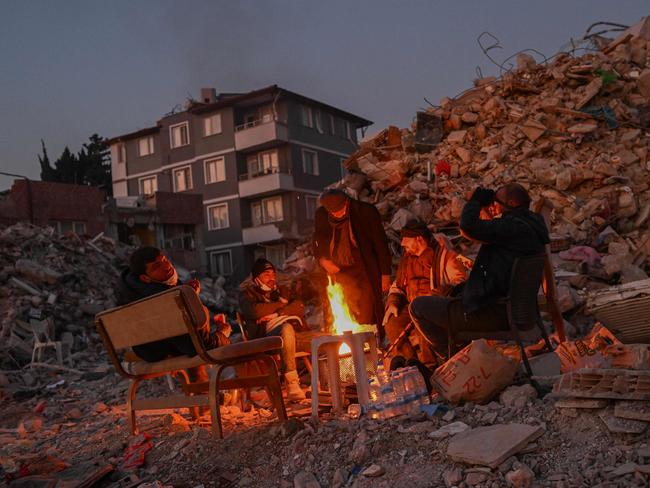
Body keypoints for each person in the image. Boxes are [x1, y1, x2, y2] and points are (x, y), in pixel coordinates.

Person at [410, 183, 550, 357]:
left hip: (492, 314)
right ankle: (465, 356)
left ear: (512, 203)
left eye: (497, 202)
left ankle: (453, 361)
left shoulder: (512, 227)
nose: (494, 207)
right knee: (448, 296)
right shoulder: (532, 226)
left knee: (418, 307)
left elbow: (468, 227)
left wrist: (476, 201)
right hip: (517, 312)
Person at [115, 246, 230, 364]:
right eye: (156, 267)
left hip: (149, 352)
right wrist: (222, 333)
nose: (166, 266)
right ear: (145, 278)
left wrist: (187, 296)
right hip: (168, 351)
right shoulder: (164, 299)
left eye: (164, 260)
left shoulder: (131, 294)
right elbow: (200, 347)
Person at [383, 219, 467, 365]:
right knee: (392, 323)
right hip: (411, 306)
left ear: (418, 239)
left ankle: (430, 367)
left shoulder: (444, 256)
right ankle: (409, 364)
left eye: (406, 240)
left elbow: (460, 281)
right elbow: (398, 284)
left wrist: (438, 294)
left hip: (433, 308)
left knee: (423, 322)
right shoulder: (407, 259)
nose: (402, 244)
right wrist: (393, 302)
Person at [313, 189, 392, 334]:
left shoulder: (365, 212)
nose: (336, 214)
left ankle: (372, 341)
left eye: (339, 210)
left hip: (364, 267)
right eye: (333, 212)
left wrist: (385, 274)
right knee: (342, 306)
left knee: (367, 310)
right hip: (338, 270)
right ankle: (347, 346)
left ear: (346, 202)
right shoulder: (322, 215)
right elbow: (318, 241)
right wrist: (323, 260)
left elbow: (381, 244)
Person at [239, 258, 307, 402]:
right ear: (256, 278)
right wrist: (281, 303)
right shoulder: (248, 294)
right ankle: (292, 382)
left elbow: (300, 307)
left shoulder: (282, 290)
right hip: (266, 338)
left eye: (273, 274)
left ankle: (330, 381)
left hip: (294, 334)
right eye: (266, 275)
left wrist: (277, 313)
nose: (271, 278)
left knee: (324, 336)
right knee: (286, 329)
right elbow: (255, 311)